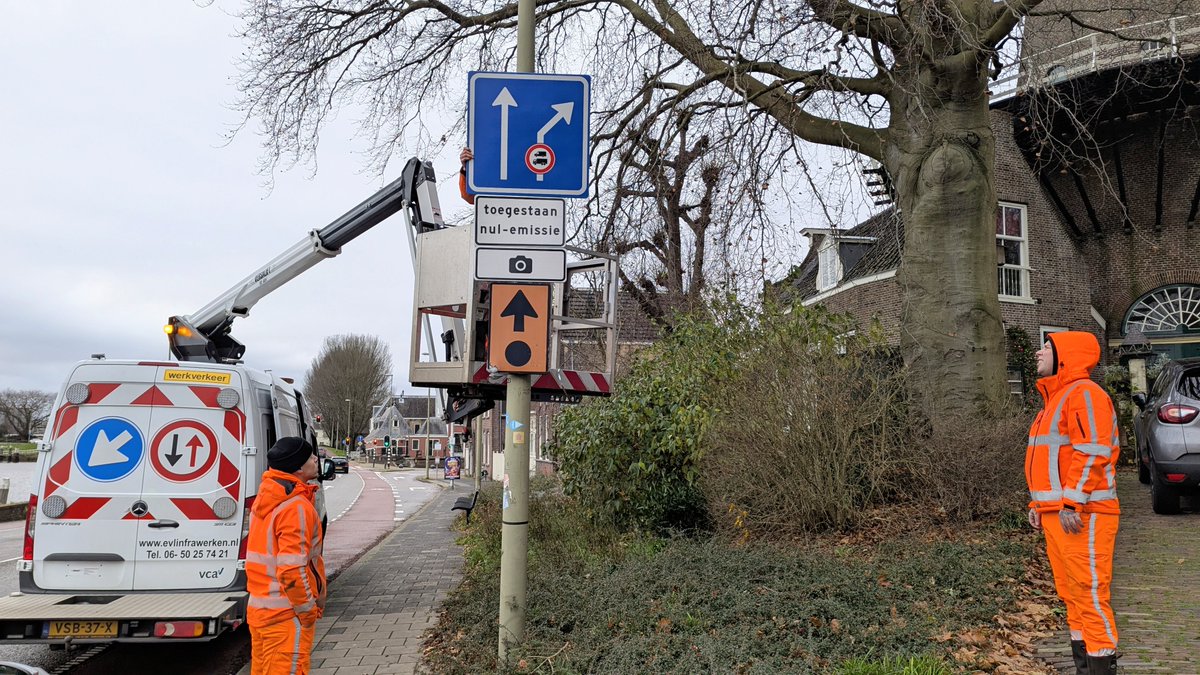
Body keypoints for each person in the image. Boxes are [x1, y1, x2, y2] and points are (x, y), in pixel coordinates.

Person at [1025, 332, 1120, 675]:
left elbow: (1092, 451)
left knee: (1090, 596)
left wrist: (1072, 503)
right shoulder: (1057, 399)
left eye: (1047, 348)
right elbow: (1052, 462)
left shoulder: (1085, 394)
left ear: (1066, 356)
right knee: (1073, 596)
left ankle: (1100, 667)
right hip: (1061, 515)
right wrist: (1040, 506)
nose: (1038, 352)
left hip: (1085, 515)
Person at [246, 437, 327, 675]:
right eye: (311, 456)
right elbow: (291, 569)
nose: (315, 459)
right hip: (286, 615)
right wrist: (307, 611)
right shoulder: (296, 507)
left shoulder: (267, 497)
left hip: (261, 611)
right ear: (299, 468)